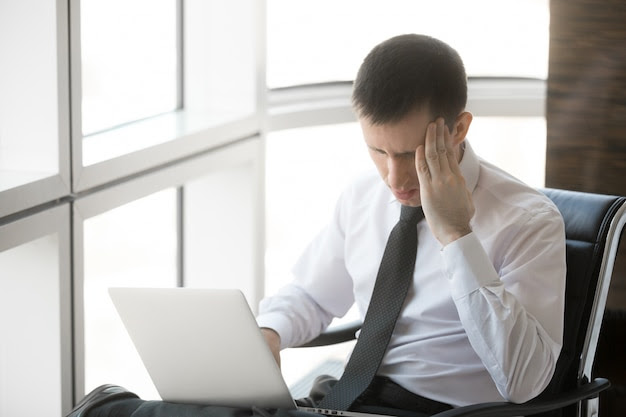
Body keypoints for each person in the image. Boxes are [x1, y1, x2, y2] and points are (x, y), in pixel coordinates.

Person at [67, 34, 566, 417]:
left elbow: (524, 380)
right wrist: (269, 332)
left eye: (410, 154)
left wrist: (457, 236)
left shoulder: (529, 221)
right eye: (378, 151)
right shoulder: (362, 198)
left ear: (457, 129)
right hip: (344, 400)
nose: (394, 178)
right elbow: (310, 295)